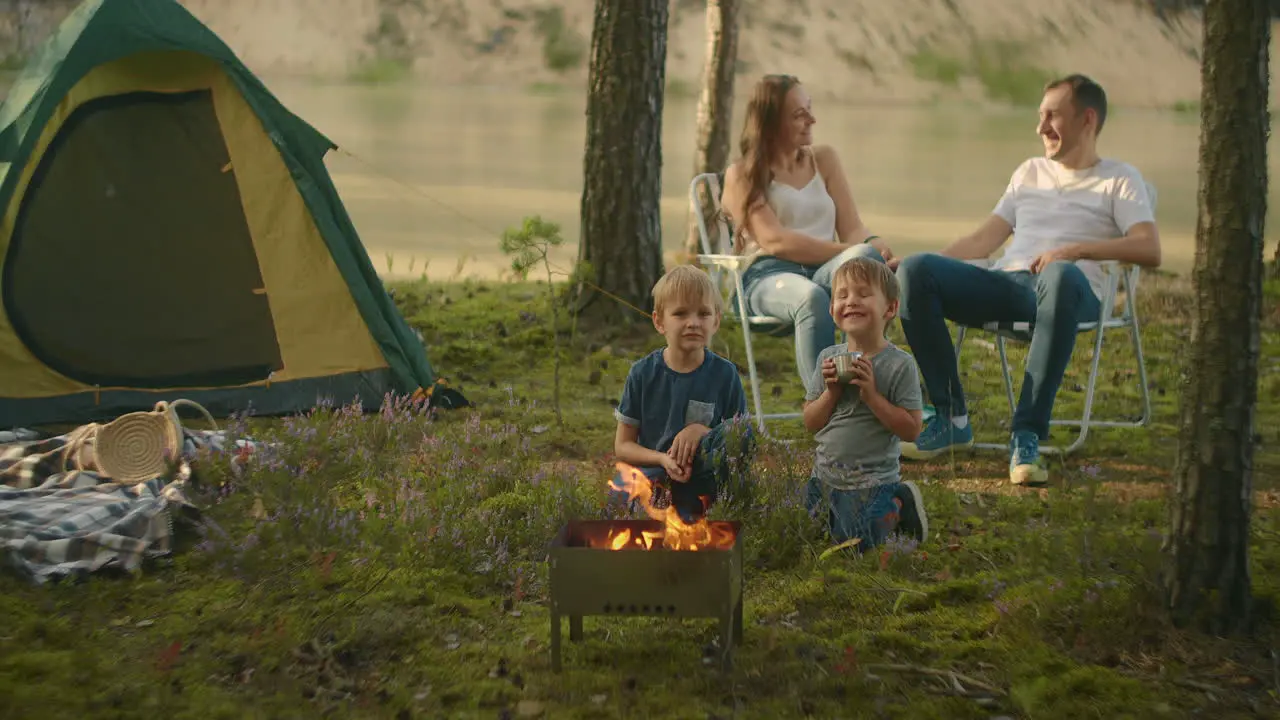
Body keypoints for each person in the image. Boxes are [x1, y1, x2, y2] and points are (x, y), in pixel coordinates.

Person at [895, 74, 1162, 486]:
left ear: (1087, 119)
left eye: (1052, 116)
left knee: (1059, 275)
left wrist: (1073, 251)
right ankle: (952, 419)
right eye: (1040, 116)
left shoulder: (1120, 179)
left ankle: (1027, 433)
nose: (1040, 128)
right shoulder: (1029, 172)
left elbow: (1149, 248)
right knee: (917, 269)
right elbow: (985, 239)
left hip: (1076, 292)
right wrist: (913, 265)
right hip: (1010, 286)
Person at [720, 74, 899, 388]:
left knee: (868, 260)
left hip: (824, 272)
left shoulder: (825, 160)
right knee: (814, 296)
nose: (811, 120)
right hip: (766, 278)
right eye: (799, 114)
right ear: (770, 122)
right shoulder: (743, 175)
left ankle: (881, 384)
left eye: (810, 109)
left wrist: (874, 245)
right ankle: (825, 404)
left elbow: (852, 228)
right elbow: (776, 241)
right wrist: (849, 253)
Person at [611, 265, 757, 522]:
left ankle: (701, 515)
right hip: (653, 475)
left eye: (703, 314)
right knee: (620, 494)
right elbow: (623, 446)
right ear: (659, 321)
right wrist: (661, 459)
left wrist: (702, 431)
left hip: (703, 480)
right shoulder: (642, 373)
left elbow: (740, 438)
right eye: (680, 314)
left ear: (716, 321)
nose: (693, 323)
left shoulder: (725, 375)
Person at [802, 256, 928, 549]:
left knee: (855, 545)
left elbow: (911, 431)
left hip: (871, 481)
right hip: (823, 477)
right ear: (832, 309)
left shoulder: (899, 365)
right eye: (842, 295)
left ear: (891, 308)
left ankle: (899, 502)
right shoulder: (827, 359)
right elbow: (810, 423)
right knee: (808, 539)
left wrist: (872, 396)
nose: (851, 301)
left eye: (863, 293)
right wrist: (830, 394)